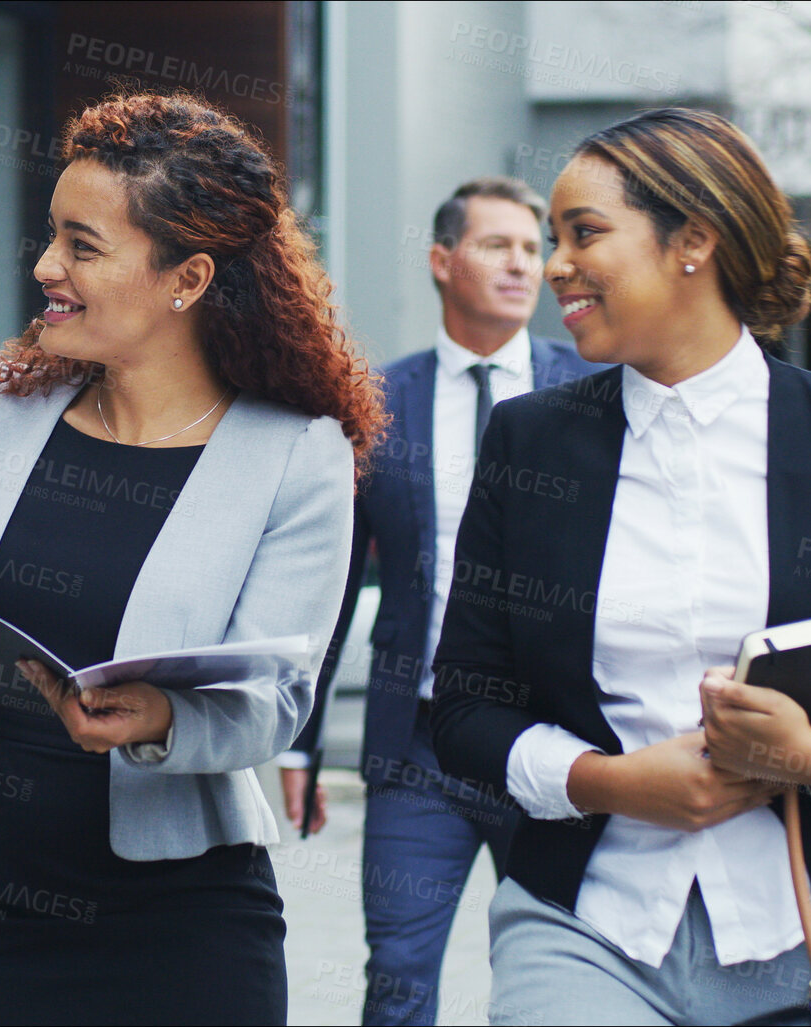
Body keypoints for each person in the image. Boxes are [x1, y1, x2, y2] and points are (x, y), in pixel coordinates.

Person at [0, 92, 385, 1024]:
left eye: (82, 246)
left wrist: (159, 717)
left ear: (186, 278)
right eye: (52, 236)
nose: (46, 267)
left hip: (186, 931)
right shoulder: (9, 408)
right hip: (4, 910)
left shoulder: (296, 451)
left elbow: (277, 706)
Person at [430, 107, 811, 1025]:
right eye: (551, 239)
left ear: (692, 239)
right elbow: (461, 701)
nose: (556, 265)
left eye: (584, 234)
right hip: (585, 925)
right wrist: (606, 782)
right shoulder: (527, 439)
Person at [279, 175, 601, 1025]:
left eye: (533, 248)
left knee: (567, 984)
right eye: (497, 244)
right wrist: (300, 745)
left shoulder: (593, 396)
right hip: (418, 745)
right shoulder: (379, 403)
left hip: (560, 740)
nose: (522, 264)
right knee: (396, 978)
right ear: (440, 260)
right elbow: (333, 583)